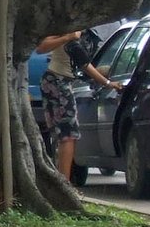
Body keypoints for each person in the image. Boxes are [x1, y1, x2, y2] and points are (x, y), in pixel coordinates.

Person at [36, 30, 111, 178]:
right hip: (57, 81)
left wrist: (106, 81)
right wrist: (67, 37)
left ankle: (61, 179)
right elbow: (41, 47)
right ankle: (64, 181)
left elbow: (84, 63)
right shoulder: (67, 27)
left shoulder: (87, 34)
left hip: (64, 82)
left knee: (66, 134)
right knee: (68, 134)